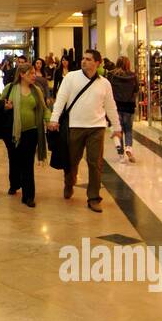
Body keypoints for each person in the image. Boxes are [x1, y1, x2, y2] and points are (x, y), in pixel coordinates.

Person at [49, 48, 123, 213]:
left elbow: (111, 107)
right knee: (72, 161)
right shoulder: (71, 78)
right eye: (83, 58)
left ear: (97, 63)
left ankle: (94, 197)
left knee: (95, 163)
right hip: (74, 126)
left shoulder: (105, 83)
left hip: (96, 127)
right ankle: (69, 183)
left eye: (89, 59)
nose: (84, 61)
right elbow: (61, 99)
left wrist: (117, 127)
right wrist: (54, 118)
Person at [0, 60, 48, 208]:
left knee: (27, 164)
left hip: (32, 131)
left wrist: (50, 120)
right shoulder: (10, 88)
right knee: (15, 160)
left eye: (34, 73)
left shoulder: (37, 90)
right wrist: (6, 107)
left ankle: (28, 196)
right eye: (30, 73)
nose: (34, 76)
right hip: (13, 133)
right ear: (21, 75)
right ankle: (14, 184)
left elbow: (44, 108)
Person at [108, 56, 139, 163]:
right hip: (129, 106)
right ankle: (129, 148)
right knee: (128, 129)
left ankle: (121, 155)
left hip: (116, 106)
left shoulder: (111, 75)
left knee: (119, 130)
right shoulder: (133, 75)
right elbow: (136, 90)